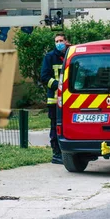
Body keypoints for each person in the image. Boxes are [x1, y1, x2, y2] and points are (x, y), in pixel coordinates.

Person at [41, 33, 68, 164]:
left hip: (70, 100)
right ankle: (56, 154)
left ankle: (68, 153)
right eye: (56, 41)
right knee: (55, 126)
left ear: (66, 41)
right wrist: (59, 86)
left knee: (67, 126)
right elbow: (44, 76)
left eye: (61, 40)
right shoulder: (49, 57)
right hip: (54, 99)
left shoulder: (70, 55)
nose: (59, 43)